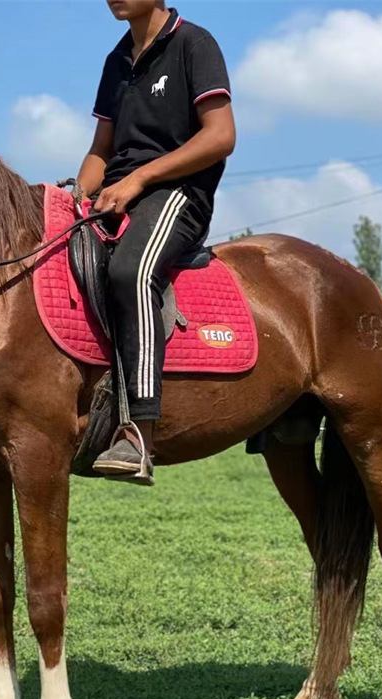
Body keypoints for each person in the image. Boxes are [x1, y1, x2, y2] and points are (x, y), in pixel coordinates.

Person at [75, 0, 236, 485]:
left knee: (131, 270)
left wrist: (138, 179)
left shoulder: (194, 43)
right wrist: (75, 199)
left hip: (178, 193)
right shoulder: (116, 60)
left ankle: (137, 432)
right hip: (120, 193)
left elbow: (221, 136)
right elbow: (100, 152)